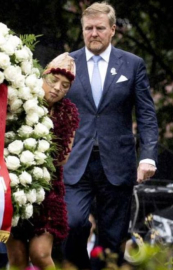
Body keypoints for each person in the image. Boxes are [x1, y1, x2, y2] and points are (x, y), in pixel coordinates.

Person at [62, 2, 159, 269]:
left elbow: (147, 116)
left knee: (113, 237)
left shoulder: (132, 64)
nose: (93, 33)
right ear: (82, 30)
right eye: (88, 28)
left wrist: (148, 157)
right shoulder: (66, 63)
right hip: (75, 161)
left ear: (112, 30)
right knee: (73, 224)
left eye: (100, 28)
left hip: (118, 162)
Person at [6, 53, 79, 269]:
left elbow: (63, 158)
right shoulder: (20, 101)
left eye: (65, 85)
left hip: (47, 191)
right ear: (43, 76)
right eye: (53, 80)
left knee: (39, 254)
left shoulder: (68, 113)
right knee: (17, 260)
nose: (58, 88)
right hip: (14, 187)